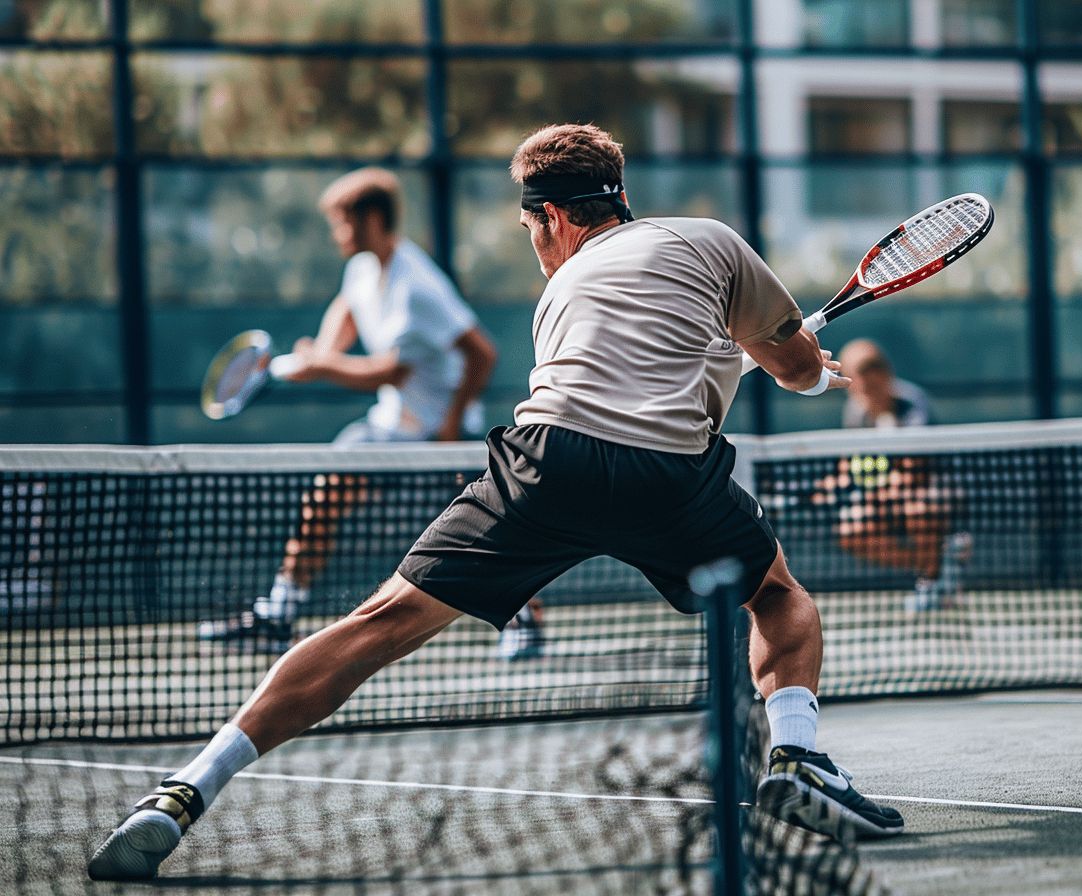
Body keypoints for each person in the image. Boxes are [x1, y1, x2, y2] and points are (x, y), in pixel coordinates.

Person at [88, 124, 904, 883]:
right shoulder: (711, 241)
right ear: (617, 196)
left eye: (531, 234)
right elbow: (791, 370)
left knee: (377, 624)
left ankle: (186, 790)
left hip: (551, 461)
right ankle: (795, 756)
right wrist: (793, 359)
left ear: (551, 217)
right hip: (671, 475)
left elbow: (616, 386)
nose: (537, 250)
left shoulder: (563, 290)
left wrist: (740, 352)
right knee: (778, 598)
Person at [193, 167, 527, 656]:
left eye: (342, 222)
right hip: (393, 428)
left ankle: (526, 621)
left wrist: (453, 422)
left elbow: (477, 354)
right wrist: (322, 351)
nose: (336, 235)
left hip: (443, 435)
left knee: (490, 529)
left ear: (371, 220)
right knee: (325, 494)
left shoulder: (417, 287)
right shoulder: (362, 270)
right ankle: (279, 614)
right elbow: (346, 311)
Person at [833, 338, 971, 611]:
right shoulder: (855, 412)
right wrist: (834, 484)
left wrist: (876, 493)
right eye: (857, 386)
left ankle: (931, 582)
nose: (864, 393)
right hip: (885, 495)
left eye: (871, 384)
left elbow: (914, 470)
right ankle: (937, 564)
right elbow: (849, 463)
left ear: (886, 375)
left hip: (934, 488)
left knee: (918, 509)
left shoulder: (913, 405)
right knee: (852, 530)